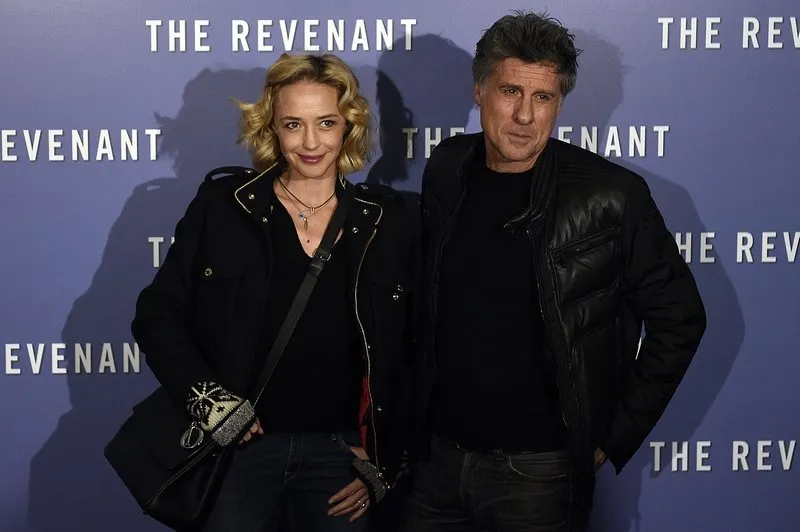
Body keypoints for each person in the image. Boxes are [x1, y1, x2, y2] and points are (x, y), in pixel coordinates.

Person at [402, 10, 707, 532]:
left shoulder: (612, 197)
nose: (524, 116)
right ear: (480, 90)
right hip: (436, 463)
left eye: (542, 98)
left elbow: (681, 318)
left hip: (539, 474)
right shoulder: (447, 167)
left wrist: (610, 436)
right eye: (510, 92)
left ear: (559, 103)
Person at [130, 52, 416, 531]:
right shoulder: (224, 205)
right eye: (292, 124)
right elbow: (157, 314)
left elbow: (416, 345)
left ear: (348, 125)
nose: (310, 142)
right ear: (271, 128)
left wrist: (386, 459)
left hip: (339, 458)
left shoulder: (389, 220)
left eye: (325, 123)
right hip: (237, 452)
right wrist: (211, 404)